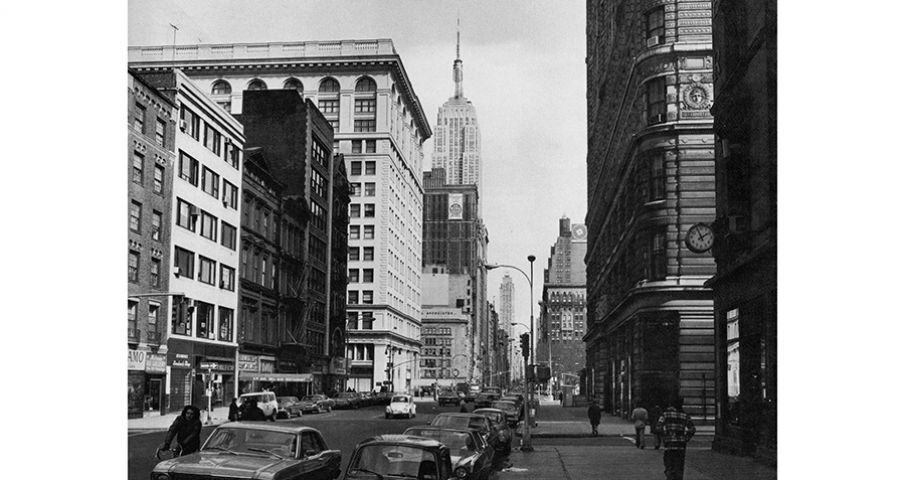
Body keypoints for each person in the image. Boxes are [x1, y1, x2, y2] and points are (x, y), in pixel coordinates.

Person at [655, 397, 696, 480]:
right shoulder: (685, 415)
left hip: (669, 443)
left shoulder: (665, 414)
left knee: (669, 465)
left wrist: (664, 436)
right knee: (679, 466)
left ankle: (670, 477)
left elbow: (658, 427)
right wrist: (685, 438)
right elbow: (692, 429)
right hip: (681, 445)